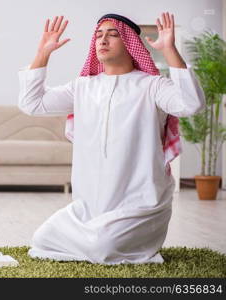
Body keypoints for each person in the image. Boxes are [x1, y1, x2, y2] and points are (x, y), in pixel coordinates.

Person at [17, 12, 206, 264]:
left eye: (112, 34)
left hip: (140, 204)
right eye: (98, 35)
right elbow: (32, 104)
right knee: (42, 239)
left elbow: (191, 104)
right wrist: (43, 52)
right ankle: (91, 236)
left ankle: (97, 241)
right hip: (88, 207)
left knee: (103, 245)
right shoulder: (83, 87)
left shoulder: (152, 86)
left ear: (130, 44)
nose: (102, 40)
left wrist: (170, 50)